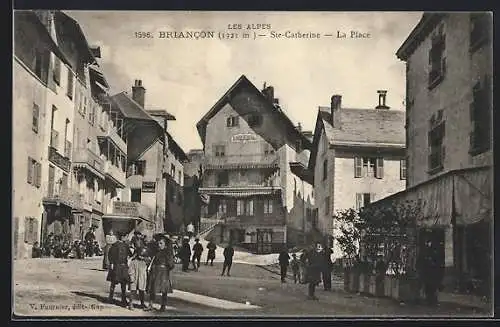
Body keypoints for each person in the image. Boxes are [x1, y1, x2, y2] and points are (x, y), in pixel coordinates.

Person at [146, 236, 175, 312]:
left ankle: (163, 306)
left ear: (165, 245)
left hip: (163, 273)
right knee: (152, 288)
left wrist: (165, 268)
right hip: (155, 271)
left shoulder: (168, 252)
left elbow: (171, 265)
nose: (159, 245)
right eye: (158, 243)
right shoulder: (156, 252)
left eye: (161, 243)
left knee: (164, 289)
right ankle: (150, 305)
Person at [107, 231, 132, 307]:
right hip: (116, 265)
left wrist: (130, 258)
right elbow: (110, 255)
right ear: (121, 237)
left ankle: (123, 299)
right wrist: (111, 263)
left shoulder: (126, 245)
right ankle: (110, 297)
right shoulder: (115, 245)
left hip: (124, 266)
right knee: (113, 282)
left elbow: (130, 254)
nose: (125, 238)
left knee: (123, 283)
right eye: (124, 236)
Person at [417, 239, 443, 306]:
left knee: (431, 287)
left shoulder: (430, 252)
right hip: (429, 273)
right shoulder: (426, 252)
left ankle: (431, 300)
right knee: (429, 287)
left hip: (430, 273)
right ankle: (430, 300)